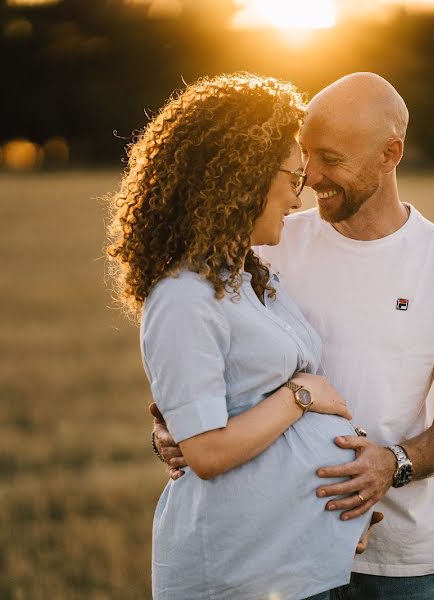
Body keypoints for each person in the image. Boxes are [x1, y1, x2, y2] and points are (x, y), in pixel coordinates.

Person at [154, 72, 434, 599]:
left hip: (401, 562)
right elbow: (195, 359)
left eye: (332, 160)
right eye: (307, 155)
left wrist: (392, 465)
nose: (311, 176)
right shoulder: (267, 242)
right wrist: (169, 430)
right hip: (282, 551)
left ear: (390, 154)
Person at [106, 73, 372, 600]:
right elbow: (205, 454)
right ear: (244, 175)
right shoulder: (183, 295)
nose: (301, 197)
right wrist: (301, 396)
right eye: (294, 178)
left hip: (295, 559)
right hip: (240, 572)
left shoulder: (250, 278)